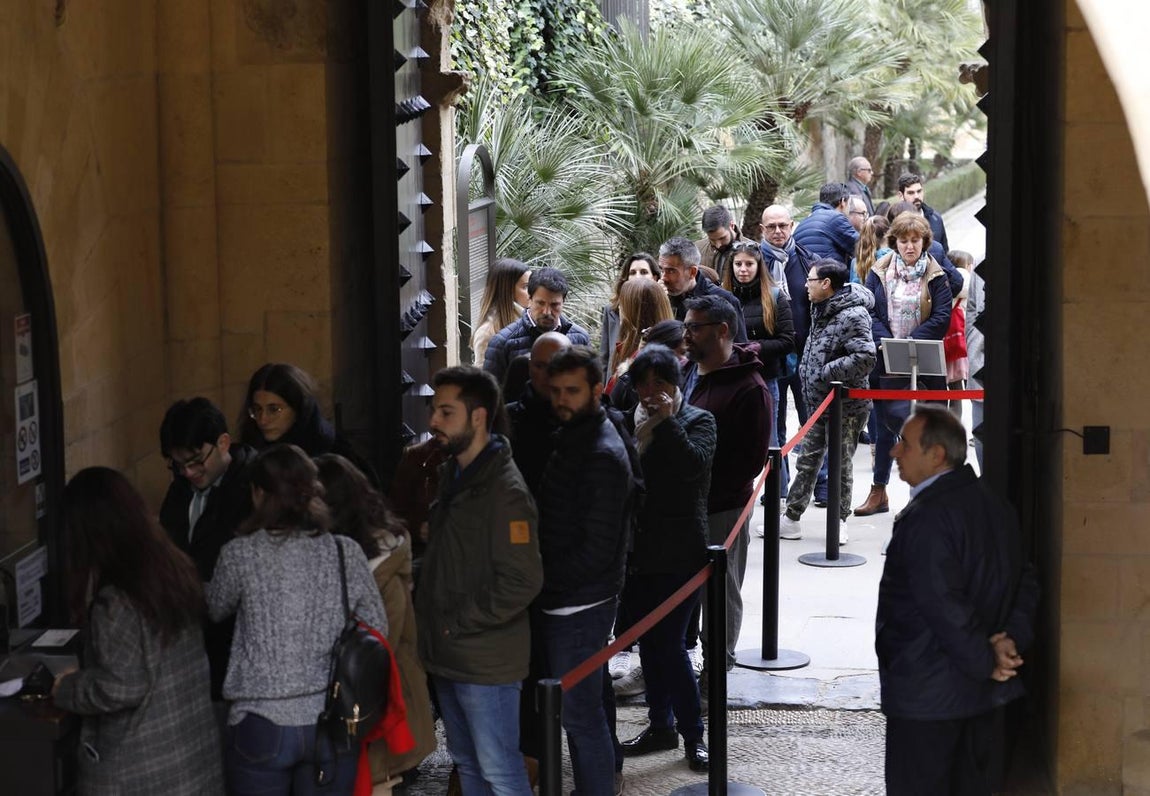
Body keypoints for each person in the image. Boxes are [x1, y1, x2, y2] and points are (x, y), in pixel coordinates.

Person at [207, 444, 388, 795]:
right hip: (331, 719)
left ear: (258, 494)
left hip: (260, 723)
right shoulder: (343, 551)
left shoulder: (240, 554)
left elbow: (214, 608)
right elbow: (377, 628)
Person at [878, 407, 1038, 794]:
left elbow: (943, 607)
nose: (893, 453)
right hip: (984, 698)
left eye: (905, 444)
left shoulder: (927, 519)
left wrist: (988, 661)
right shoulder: (995, 503)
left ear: (936, 455)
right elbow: (1028, 580)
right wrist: (1009, 644)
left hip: (929, 700)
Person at [53, 467, 223, 794]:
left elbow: (120, 686)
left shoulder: (116, 601)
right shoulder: (171, 570)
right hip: (193, 760)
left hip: (144, 772)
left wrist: (66, 687)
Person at [416, 366, 543, 796]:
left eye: (445, 412)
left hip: (483, 659)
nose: (433, 421)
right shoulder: (455, 474)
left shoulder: (505, 491)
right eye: (435, 410)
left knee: (500, 769)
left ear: (478, 417)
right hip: (449, 652)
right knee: (468, 764)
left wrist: (458, 623)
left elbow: (522, 580)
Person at [537, 346, 639, 794]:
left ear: (597, 391)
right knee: (585, 711)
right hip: (572, 597)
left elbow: (595, 551)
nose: (562, 399)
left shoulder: (600, 452)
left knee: (581, 717)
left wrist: (540, 582)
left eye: (572, 391)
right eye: (556, 391)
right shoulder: (576, 433)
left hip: (580, 602)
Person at [618, 344, 714, 773]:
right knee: (650, 646)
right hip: (638, 552)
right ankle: (661, 725)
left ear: (677, 385)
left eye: (662, 382)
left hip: (680, 553)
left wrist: (669, 423)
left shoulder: (699, 421)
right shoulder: (625, 422)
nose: (652, 392)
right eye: (644, 383)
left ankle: (694, 734)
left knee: (671, 646)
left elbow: (694, 468)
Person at [316, 454, 436, 786]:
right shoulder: (339, 555)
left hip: (377, 708)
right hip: (355, 711)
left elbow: (381, 645)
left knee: (379, 784)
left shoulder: (381, 564)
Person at [682, 296, 770, 672]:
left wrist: (703, 482)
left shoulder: (750, 389)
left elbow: (749, 461)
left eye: (693, 328)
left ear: (721, 331)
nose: (685, 334)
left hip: (723, 508)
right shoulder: (688, 370)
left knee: (719, 591)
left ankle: (716, 671)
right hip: (680, 504)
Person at [158, 397, 254, 713]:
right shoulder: (180, 489)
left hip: (234, 642)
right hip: (191, 638)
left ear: (223, 443)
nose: (188, 472)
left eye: (197, 461)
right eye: (178, 464)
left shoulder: (253, 488)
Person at [856, 212, 953, 518]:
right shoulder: (879, 271)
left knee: (922, 435)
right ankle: (878, 490)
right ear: (894, 241)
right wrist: (887, 343)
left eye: (915, 241)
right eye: (903, 240)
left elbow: (942, 316)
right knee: (884, 429)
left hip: (923, 363)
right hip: (886, 358)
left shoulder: (937, 275)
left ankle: (919, 497)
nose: (909, 247)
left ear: (925, 242)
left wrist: (910, 342)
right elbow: (869, 311)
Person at [779, 259, 876, 544]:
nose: (804, 286)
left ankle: (839, 520)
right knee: (808, 460)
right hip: (820, 402)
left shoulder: (854, 314)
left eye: (810, 280)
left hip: (845, 405)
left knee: (841, 463)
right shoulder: (820, 307)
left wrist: (826, 372)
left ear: (826, 284)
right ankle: (791, 518)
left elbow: (866, 357)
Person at [759, 204, 821, 501]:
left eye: (782, 225)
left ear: (792, 225)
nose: (778, 231)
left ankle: (820, 486)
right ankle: (777, 487)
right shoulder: (751, 263)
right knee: (775, 426)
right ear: (762, 229)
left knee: (813, 423)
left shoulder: (809, 261)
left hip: (806, 355)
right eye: (771, 227)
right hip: (771, 358)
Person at [721, 240, 794, 482]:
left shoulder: (774, 297)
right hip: (731, 379)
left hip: (766, 378)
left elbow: (787, 341)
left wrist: (755, 348)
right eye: (738, 264)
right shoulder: (723, 297)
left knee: (770, 439)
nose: (743, 269)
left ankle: (779, 492)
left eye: (749, 264)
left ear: (758, 265)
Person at [239, 362, 378, 485]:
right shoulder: (250, 453)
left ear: (299, 409)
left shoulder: (334, 460)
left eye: (274, 409)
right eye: (257, 409)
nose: (262, 419)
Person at [484, 266, 592, 385]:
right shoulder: (503, 343)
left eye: (554, 305)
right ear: (529, 299)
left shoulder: (580, 339)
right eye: (540, 303)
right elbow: (491, 397)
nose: (546, 312)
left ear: (563, 302)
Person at [506, 331, 571, 500]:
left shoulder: (588, 421)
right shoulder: (505, 420)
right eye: (539, 366)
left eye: (554, 366)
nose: (546, 375)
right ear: (529, 366)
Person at [659, 236, 748, 342]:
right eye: (661, 270)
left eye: (671, 271)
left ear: (692, 272)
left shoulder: (725, 301)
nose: (663, 278)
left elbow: (741, 351)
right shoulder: (659, 298)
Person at [607, 277, 674, 393]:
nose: (619, 308)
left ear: (635, 312)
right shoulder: (629, 349)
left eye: (623, 304)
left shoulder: (648, 363)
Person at [600, 253, 662, 374]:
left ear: (654, 277)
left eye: (644, 272)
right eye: (632, 272)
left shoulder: (660, 308)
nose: (637, 276)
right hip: (614, 381)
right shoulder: (612, 310)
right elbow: (604, 356)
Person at [471, 258, 531, 364]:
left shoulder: (534, 319)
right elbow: (484, 378)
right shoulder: (487, 332)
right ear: (507, 290)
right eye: (525, 287)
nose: (532, 291)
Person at [793, 182, 861, 266]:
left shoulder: (802, 223)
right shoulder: (836, 218)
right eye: (849, 204)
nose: (849, 208)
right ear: (843, 201)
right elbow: (863, 245)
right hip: (827, 275)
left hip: (807, 276)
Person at [695, 204, 752, 282]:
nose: (718, 245)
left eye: (722, 238)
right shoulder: (696, 249)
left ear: (731, 226)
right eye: (712, 240)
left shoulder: (755, 251)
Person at [898, 172, 949, 253]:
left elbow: (944, 252)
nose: (916, 196)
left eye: (919, 191)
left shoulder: (935, 218)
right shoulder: (894, 221)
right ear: (901, 195)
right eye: (911, 193)